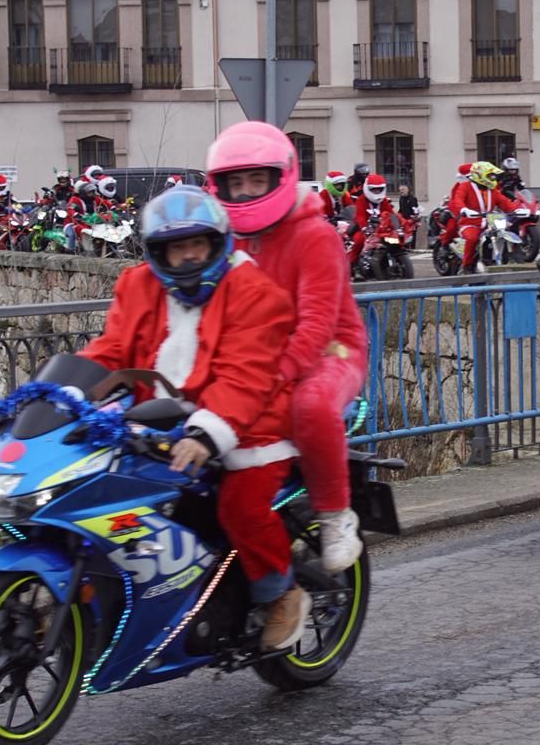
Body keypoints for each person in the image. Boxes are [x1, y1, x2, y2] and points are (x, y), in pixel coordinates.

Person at [79, 186, 308, 649]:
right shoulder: (137, 284)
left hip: (252, 422)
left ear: (217, 243)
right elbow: (112, 351)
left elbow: (246, 375)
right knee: (103, 496)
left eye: (196, 245)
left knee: (240, 506)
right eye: (176, 248)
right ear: (158, 253)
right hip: (157, 419)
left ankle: (281, 592)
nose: (187, 258)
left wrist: (207, 433)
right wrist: (67, 391)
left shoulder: (254, 290)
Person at [205, 121, 370, 572]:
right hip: (256, 357)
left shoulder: (315, 235)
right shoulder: (225, 240)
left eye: (256, 180)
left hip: (331, 351)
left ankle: (336, 515)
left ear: (281, 176)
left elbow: (318, 323)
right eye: (234, 183)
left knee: (311, 406)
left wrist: (267, 379)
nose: (245, 191)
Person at [451, 161, 518, 273]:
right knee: (472, 238)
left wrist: (518, 209)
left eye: (493, 175)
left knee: (503, 233)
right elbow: (458, 199)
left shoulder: (492, 190)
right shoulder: (465, 186)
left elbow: (504, 202)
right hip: (470, 222)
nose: (492, 178)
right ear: (479, 175)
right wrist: (464, 209)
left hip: (489, 223)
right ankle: (467, 265)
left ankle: (506, 259)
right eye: (490, 175)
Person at [349, 173, 400, 270]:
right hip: (363, 229)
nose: (377, 192)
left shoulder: (384, 201)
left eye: (379, 189)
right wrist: (365, 228)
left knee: (393, 242)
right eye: (374, 189)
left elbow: (391, 214)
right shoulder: (361, 200)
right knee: (359, 241)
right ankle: (353, 267)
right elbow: (360, 216)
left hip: (381, 230)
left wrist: (398, 227)